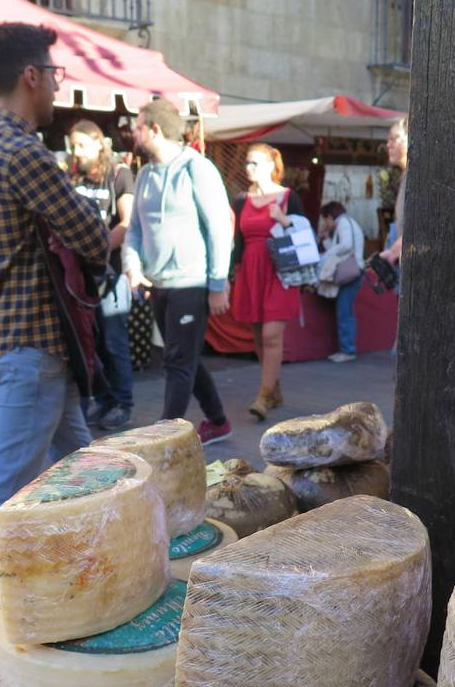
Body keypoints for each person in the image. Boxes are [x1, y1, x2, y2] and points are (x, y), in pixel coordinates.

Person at [0, 23, 109, 655]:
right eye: (55, 74)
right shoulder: (23, 150)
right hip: (33, 346)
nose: (59, 87)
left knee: (83, 465)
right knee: (2, 485)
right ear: (32, 76)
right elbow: (88, 234)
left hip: (26, 345)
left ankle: (94, 577)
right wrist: (105, 226)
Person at [122, 99, 233, 446]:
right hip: (158, 283)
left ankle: (166, 439)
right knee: (183, 356)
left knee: (176, 362)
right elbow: (135, 229)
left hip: (192, 282)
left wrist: (217, 283)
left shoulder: (196, 168)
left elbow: (218, 227)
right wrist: (132, 266)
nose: (133, 133)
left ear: (155, 129)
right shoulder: (144, 174)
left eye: (138, 127)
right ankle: (218, 421)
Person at [230, 143, 305, 418]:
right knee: (259, 336)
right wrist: (232, 274)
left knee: (272, 335)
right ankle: (273, 388)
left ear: (273, 166)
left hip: (280, 271)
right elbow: (237, 241)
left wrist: (284, 220)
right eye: (248, 163)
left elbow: (306, 235)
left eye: (255, 163)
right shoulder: (241, 200)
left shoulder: (288, 197)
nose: (249, 168)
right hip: (250, 271)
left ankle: (263, 396)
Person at [69, 119, 135, 430]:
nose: (75, 152)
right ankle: (105, 398)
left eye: (81, 145)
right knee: (91, 341)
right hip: (81, 278)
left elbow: (127, 222)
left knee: (114, 340)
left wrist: (98, 248)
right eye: (72, 146)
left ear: (98, 143)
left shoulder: (120, 174)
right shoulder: (72, 177)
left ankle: (123, 402)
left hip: (112, 275)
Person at [317, 200, 365, 363]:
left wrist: (327, 253)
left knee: (344, 311)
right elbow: (341, 246)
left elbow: (345, 245)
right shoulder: (345, 223)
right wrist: (325, 239)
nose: (325, 223)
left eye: (325, 219)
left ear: (331, 216)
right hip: (354, 272)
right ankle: (346, 348)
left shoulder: (343, 223)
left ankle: (348, 350)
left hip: (351, 273)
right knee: (345, 311)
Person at [379, 117, 409, 265]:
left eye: (394, 139)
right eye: (388, 140)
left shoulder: (420, 178)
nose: (388, 144)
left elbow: (425, 224)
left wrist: (395, 250)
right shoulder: (405, 176)